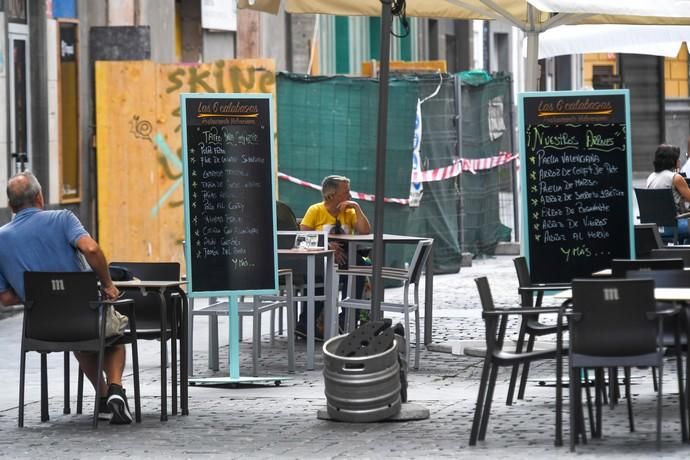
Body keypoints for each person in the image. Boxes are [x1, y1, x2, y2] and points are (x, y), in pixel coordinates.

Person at [0, 171, 132, 424]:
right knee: (113, 332)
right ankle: (115, 388)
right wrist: (108, 284)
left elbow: (5, 299)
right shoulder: (62, 218)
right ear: (40, 197)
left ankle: (104, 400)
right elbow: (91, 248)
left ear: (10, 205)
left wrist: (37, 295)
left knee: (81, 343)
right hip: (83, 317)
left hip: (42, 329)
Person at [296, 175, 371, 337]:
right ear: (331, 194)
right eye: (346, 192)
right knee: (319, 276)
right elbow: (303, 238)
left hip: (345, 257)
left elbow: (365, 231)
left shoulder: (349, 212)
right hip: (319, 259)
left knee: (359, 267)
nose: (350, 196)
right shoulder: (315, 210)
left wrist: (357, 208)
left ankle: (347, 321)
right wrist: (327, 246)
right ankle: (305, 325)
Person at [646, 143, 690, 240]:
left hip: (655, 227)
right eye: (677, 158)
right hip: (674, 226)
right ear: (673, 161)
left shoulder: (651, 177)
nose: (679, 160)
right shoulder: (675, 177)